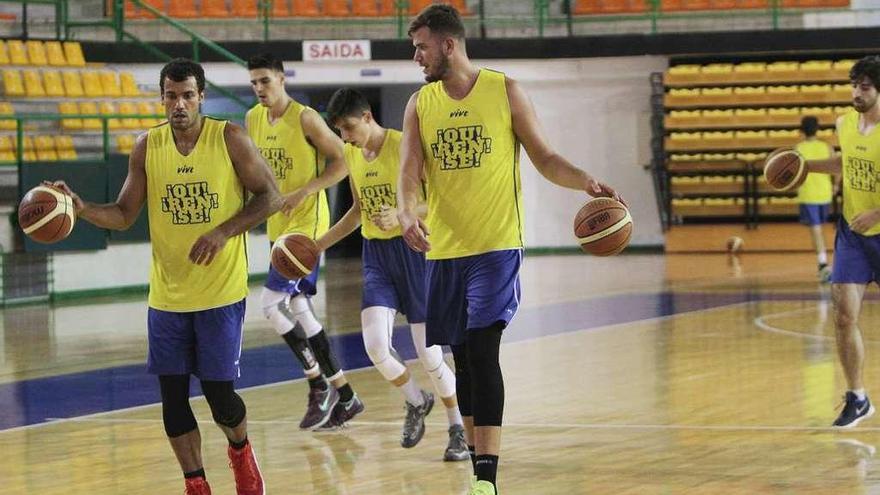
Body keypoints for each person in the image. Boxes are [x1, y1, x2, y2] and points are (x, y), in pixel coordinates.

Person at [397, 6, 622, 494]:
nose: (416, 56)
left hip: (497, 246)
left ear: (448, 45)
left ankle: (486, 479)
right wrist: (406, 209)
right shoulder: (420, 104)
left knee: (482, 348)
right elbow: (409, 171)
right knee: (462, 357)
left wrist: (585, 180)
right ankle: (480, 460)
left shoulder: (505, 90)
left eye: (421, 47)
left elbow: (544, 157)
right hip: (446, 251)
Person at [52, 59, 278, 495]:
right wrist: (81, 209)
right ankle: (196, 483)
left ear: (201, 97)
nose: (179, 104)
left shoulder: (229, 138)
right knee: (173, 403)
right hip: (167, 298)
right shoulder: (146, 146)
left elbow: (270, 196)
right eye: (171, 96)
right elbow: (122, 214)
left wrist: (223, 230)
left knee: (222, 401)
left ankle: (241, 451)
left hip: (219, 294)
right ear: (161, 98)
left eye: (187, 95)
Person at [317, 87, 469, 460]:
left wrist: (407, 216)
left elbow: (440, 202)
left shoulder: (405, 146)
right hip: (378, 257)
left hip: (416, 252)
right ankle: (416, 401)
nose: (344, 137)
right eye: (339, 131)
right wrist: (317, 246)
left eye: (349, 128)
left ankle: (457, 428)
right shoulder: (352, 153)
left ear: (368, 117)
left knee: (430, 356)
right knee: (375, 347)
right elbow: (356, 211)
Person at [245, 53, 364, 430]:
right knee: (298, 307)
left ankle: (317, 384)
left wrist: (307, 190)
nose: (259, 89)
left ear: (282, 78)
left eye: (265, 80)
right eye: (254, 83)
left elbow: (343, 161)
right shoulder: (252, 119)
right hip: (278, 224)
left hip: (307, 225)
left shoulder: (306, 118)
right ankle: (345, 395)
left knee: (269, 304)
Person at [804, 55, 880, 428]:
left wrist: (878, 213)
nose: (856, 93)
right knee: (843, 316)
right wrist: (804, 168)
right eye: (854, 85)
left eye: (864, 87)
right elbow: (845, 163)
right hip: (852, 235)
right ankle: (858, 397)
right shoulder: (844, 123)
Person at [794, 115, 836, 282]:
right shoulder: (827, 147)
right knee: (822, 228)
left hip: (808, 193)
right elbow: (837, 168)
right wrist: (836, 186)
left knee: (816, 229)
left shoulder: (797, 148)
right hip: (825, 193)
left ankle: (823, 264)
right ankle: (826, 263)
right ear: (817, 129)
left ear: (801, 130)